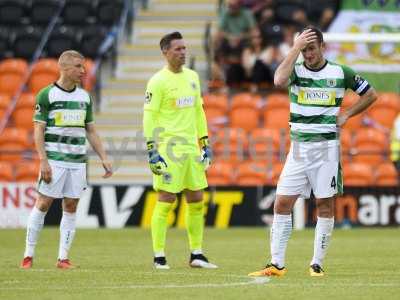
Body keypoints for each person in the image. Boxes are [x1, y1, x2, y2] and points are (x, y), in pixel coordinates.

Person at [248, 26, 377, 277]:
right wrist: (294, 48)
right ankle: (277, 264)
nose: (307, 54)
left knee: (325, 205)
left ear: (322, 47)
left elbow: (371, 94)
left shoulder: (341, 73)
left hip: (326, 148)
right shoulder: (295, 71)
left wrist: (348, 114)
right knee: (282, 202)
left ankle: (316, 263)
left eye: (311, 49)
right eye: (304, 49)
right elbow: (278, 80)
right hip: (298, 148)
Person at [20, 50, 113, 269]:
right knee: (43, 203)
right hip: (54, 160)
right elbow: (38, 130)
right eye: (79, 66)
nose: (84, 70)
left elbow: (90, 130)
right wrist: (43, 160)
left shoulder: (84, 97)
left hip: (77, 162)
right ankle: (28, 255)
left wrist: (104, 157)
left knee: (71, 205)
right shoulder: (47, 95)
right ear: (65, 68)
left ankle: (63, 258)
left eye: (83, 66)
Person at [143, 32, 217, 270]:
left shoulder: (193, 77)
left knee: (196, 198)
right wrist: (152, 149)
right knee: (166, 198)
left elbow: (199, 112)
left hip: (191, 149)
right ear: (165, 52)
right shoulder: (157, 81)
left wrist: (204, 142)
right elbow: (149, 116)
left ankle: (196, 254)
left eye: (185, 48)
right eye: (178, 49)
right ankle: (159, 256)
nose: (183, 52)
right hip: (168, 149)